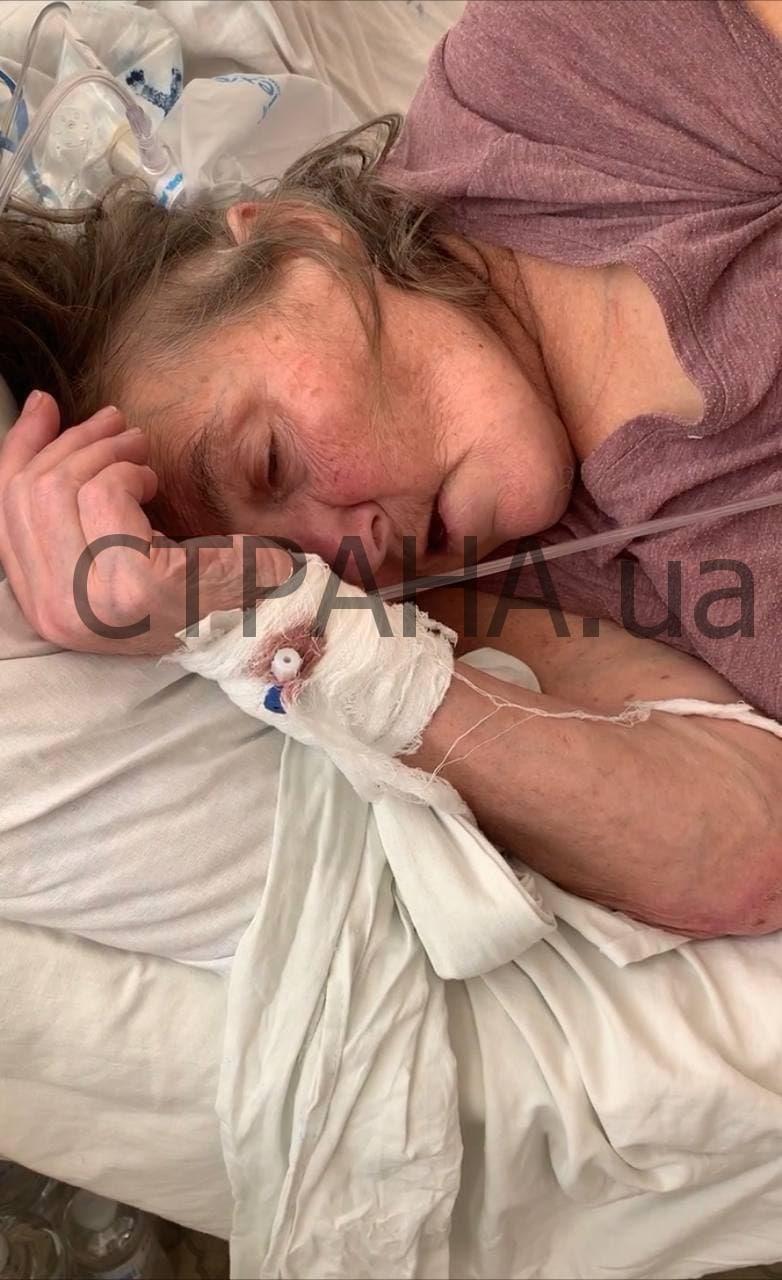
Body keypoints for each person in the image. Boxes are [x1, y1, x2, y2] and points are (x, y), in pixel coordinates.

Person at [0, 0, 780, 937]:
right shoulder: (480, 594)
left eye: (270, 460)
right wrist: (282, 628)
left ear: (304, 242)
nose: (350, 554)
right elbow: (752, 854)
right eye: (307, 564)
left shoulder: (541, 92)